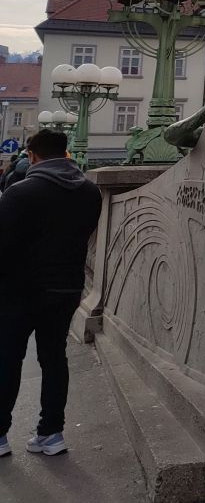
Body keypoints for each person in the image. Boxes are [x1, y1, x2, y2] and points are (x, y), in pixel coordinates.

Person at [0, 129, 101, 457]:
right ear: (65, 152)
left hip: (19, 291)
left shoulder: (20, 193)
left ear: (32, 155)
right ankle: (51, 433)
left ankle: (0, 436)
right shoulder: (90, 192)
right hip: (66, 288)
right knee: (55, 358)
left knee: (8, 359)